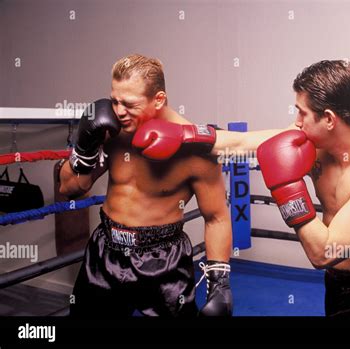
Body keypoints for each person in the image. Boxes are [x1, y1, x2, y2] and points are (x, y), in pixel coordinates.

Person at [140, 60, 350, 318]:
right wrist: (181, 134)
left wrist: (286, 187)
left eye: (302, 112)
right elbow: (239, 144)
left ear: (329, 119)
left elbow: (323, 252)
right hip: (335, 282)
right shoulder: (313, 141)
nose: (296, 121)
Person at [59, 54, 233, 317]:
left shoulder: (197, 150)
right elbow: (69, 188)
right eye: (114, 100)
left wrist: (219, 283)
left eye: (129, 104)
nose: (118, 111)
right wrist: (84, 148)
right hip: (106, 250)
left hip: (164, 261)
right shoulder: (111, 132)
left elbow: (217, 217)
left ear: (159, 99)